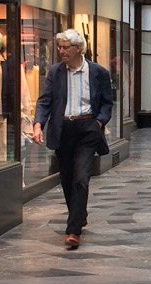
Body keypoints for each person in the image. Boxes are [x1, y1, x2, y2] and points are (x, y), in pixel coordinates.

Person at [32, 29, 113, 249]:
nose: (61, 51)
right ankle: (79, 214)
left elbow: (107, 103)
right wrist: (38, 124)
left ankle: (73, 230)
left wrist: (98, 123)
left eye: (66, 47)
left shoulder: (98, 72)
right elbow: (45, 101)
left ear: (78, 48)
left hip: (88, 128)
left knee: (81, 177)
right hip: (63, 129)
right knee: (67, 179)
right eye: (59, 47)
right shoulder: (55, 72)